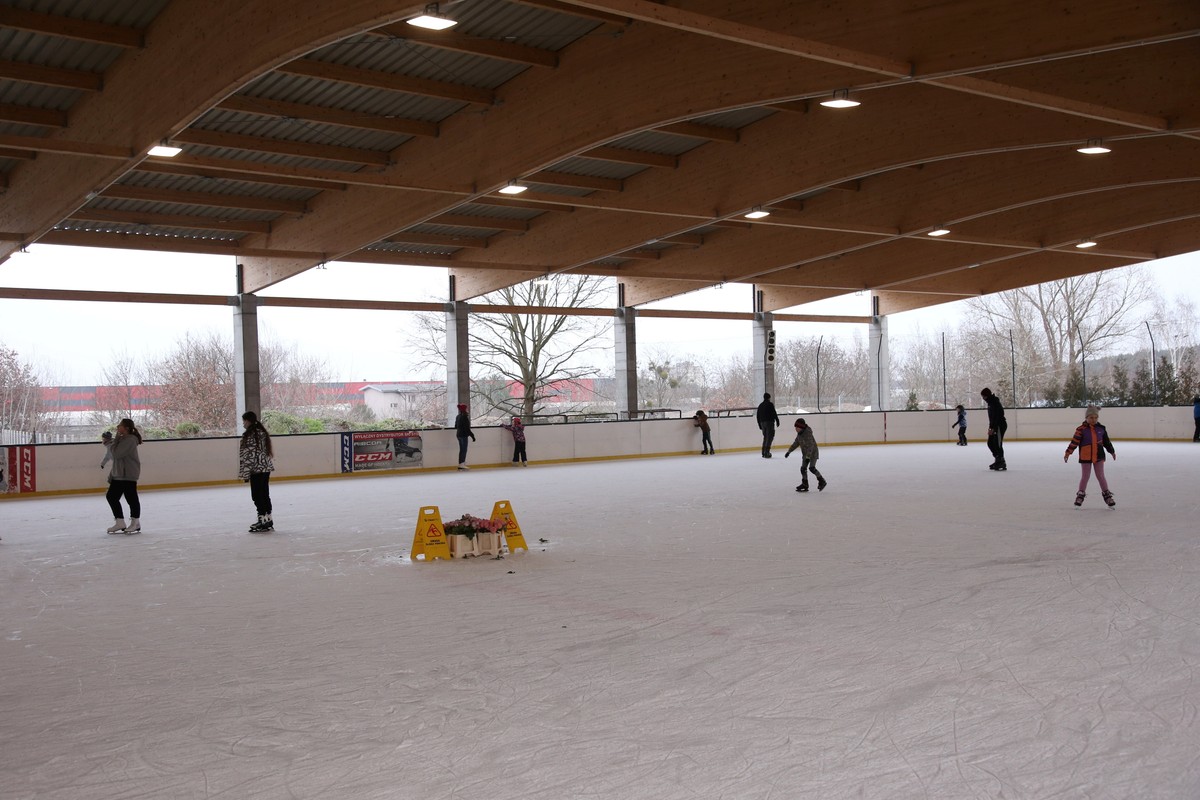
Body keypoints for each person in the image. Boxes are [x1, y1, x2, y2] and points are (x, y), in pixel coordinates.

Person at [1064, 405, 1116, 508]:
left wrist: (1112, 451)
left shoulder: (1101, 428)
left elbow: (1106, 442)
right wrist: (1068, 452)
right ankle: (1080, 495)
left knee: (1100, 476)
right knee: (1085, 476)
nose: (1094, 420)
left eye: (1096, 417)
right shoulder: (1081, 429)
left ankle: (1107, 496)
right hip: (1085, 455)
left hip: (1099, 455)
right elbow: (1074, 442)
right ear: (1086, 418)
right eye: (1091, 417)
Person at [104, 418, 142, 534]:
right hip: (119, 474)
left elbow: (116, 454)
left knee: (131, 498)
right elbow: (115, 455)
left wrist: (113, 442)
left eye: (120, 425)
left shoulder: (130, 440)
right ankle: (120, 521)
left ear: (126, 428)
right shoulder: (122, 439)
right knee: (111, 496)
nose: (117, 427)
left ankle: (135, 522)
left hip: (128, 473)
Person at [239, 411, 276, 532]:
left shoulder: (250, 436)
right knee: (264, 494)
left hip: (256, 469)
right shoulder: (262, 433)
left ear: (248, 421)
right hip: (265, 468)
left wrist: (246, 474)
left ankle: (262, 520)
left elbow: (249, 456)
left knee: (257, 495)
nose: (243, 424)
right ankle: (268, 518)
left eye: (244, 421)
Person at [785, 418, 826, 492]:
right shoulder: (799, 434)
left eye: (797, 427)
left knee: (812, 468)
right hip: (805, 454)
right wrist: (789, 451)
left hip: (813, 453)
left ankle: (822, 481)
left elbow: (811, 446)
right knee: (803, 469)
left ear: (801, 427)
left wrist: (808, 457)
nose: (796, 429)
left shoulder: (807, 434)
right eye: (795, 427)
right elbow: (796, 443)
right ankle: (805, 484)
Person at [980, 387, 1007, 470]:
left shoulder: (995, 402)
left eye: (983, 396)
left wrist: (994, 427)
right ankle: (998, 459)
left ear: (987, 395)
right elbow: (991, 418)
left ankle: (1001, 461)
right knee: (990, 443)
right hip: (994, 426)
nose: (983, 398)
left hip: (999, 425)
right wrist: (990, 427)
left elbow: (999, 415)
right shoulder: (990, 403)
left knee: (997, 444)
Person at [756, 392, 780, 458]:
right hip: (769, 422)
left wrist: (759, 425)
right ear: (769, 398)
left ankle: (763, 452)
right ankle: (766, 452)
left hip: (762, 423)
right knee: (769, 437)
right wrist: (777, 420)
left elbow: (758, 416)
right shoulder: (770, 404)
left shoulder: (760, 405)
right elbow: (774, 413)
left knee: (765, 437)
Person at [454, 403, 475, 470]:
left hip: (458, 435)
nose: (467, 409)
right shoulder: (465, 417)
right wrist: (472, 436)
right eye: (466, 408)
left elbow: (456, 426)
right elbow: (467, 429)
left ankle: (461, 463)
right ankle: (462, 464)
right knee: (464, 450)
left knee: (462, 450)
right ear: (464, 409)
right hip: (463, 435)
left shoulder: (458, 416)